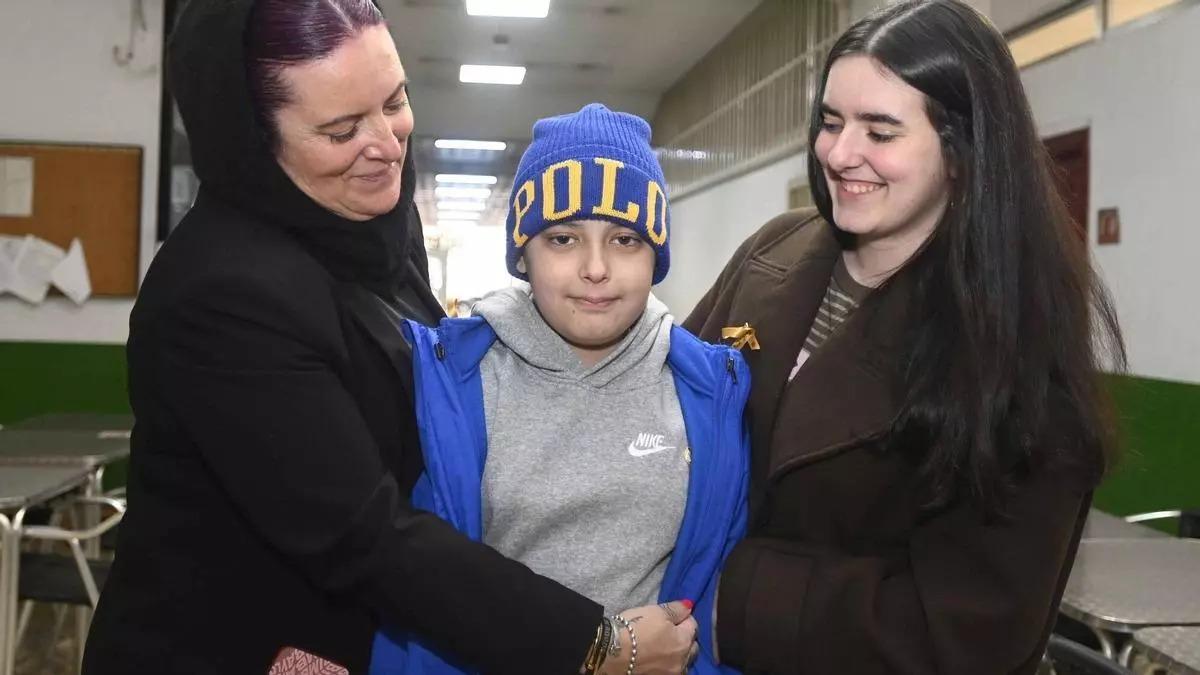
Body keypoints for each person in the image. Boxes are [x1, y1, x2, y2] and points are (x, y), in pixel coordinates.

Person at [82, 2, 693, 673]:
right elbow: (363, 536)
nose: (387, 142)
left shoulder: (373, 228)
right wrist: (598, 643)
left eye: (395, 100)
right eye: (342, 129)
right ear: (254, 139)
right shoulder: (221, 296)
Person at [683, 1, 1126, 673]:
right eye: (830, 122)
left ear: (960, 150)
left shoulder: (1018, 354)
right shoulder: (771, 252)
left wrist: (731, 598)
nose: (837, 152)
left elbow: (966, 632)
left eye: (879, 131)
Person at [369, 103, 749, 675]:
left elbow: (720, 585)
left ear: (656, 254)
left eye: (625, 239)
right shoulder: (447, 381)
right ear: (524, 253)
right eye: (564, 239)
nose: (596, 268)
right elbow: (415, 583)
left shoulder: (712, 391)